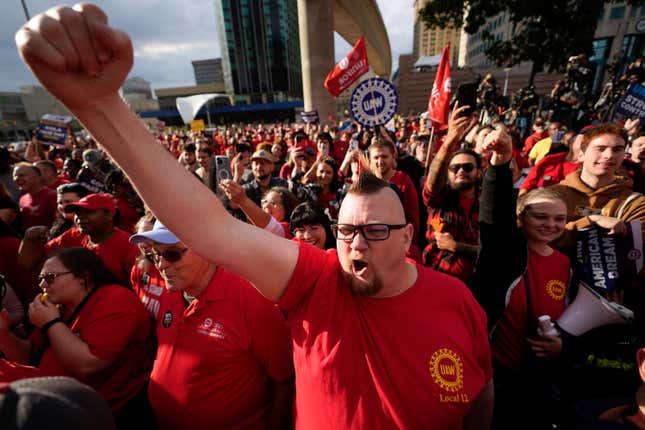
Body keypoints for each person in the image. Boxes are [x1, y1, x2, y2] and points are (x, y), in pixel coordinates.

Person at [15, 7, 494, 428]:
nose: (356, 245)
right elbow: (210, 228)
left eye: (375, 230)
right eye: (346, 230)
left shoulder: (456, 301)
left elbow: (481, 394)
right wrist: (100, 109)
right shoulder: (319, 280)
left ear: (409, 235)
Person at [129, 221, 294, 430]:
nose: (160, 265)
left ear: (205, 250)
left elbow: (285, 380)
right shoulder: (173, 290)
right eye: (155, 255)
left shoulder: (251, 300)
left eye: (172, 255)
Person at [473, 129, 571, 429]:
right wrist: (500, 164)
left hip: (537, 383)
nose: (551, 225)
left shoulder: (567, 265)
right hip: (491, 377)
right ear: (521, 217)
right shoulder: (505, 252)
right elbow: (493, 215)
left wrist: (563, 345)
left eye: (559, 219)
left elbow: (573, 321)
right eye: (541, 217)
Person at [0, 247, 153, 426]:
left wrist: (51, 323)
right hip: (56, 405)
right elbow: (29, 355)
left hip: (101, 414)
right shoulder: (60, 305)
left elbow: (87, 365)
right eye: (40, 279)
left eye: (50, 277)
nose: (42, 285)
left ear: (83, 277)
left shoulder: (116, 299)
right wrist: (4, 333)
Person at [548, 124, 645, 258]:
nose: (609, 155)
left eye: (617, 149)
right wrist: (589, 221)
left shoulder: (635, 203)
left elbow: (631, 252)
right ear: (581, 155)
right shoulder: (551, 196)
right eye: (601, 149)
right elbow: (538, 238)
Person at [19, 193, 138, 284]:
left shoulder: (128, 244)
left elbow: (137, 288)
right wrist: (30, 240)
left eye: (88, 212)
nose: (80, 217)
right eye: (78, 212)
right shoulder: (73, 235)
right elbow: (29, 265)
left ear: (109, 215)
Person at [423, 104, 481, 282]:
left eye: (468, 167)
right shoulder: (440, 198)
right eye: (455, 168)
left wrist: (456, 247)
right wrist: (449, 141)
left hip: (478, 285)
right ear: (448, 173)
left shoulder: (489, 203)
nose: (461, 171)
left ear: (479, 171)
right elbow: (432, 182)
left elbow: (497, 251)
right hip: (438, 279)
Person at [368, 138, 421, 260]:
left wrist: (409, 244)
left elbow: (413, 217)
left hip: (399, 244)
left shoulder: (404, 181)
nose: (380, 161)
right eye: (376, 158)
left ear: (393, 158)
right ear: (370, 160)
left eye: (384, 157)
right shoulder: (367, 183)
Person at [519, 131, 584, 196]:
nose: (585, 146)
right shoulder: (549, 160)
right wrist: (522, 197)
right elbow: (529, 181)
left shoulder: (585, 168)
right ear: (571, 143)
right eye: (583, 143)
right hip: (538, 198)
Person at [13, 162, 57, 230]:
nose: (16, 179)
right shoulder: (23, 199)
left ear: (37, 177)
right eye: (15, 176)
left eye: (21, 175)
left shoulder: (53, 196)